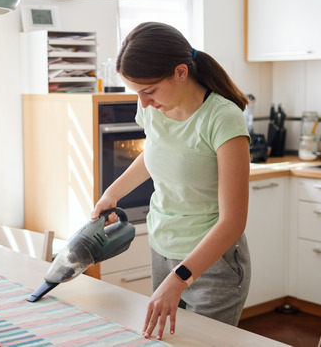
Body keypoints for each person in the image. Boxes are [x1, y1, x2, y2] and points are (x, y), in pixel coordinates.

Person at [92, 22, 251, 340]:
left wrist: (180, 278)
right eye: (138, 93)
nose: (144, 102)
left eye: (149, 91)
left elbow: (233, 222)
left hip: (212, 264)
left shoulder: (222, 119)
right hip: (162, 248)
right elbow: (156, 154)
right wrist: (111, 194)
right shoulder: (153, 108)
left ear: (181, 72)